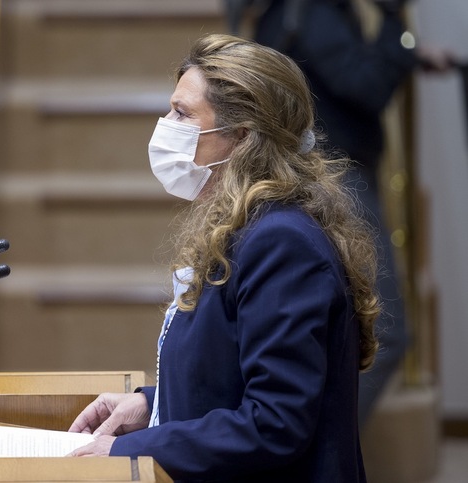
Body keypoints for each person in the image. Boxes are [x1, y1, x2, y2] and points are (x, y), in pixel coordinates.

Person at [68, 34, 380, 482]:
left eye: (182, 113)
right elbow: (228, 376)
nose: (165, 125)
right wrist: (152, 406)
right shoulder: (248, 225)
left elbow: (275, 422)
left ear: (242, 137)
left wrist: (129, 448)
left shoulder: (281, 242)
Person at [252, 0, 454, 426]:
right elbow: (365, 86)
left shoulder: (295, 12)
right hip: (335, 180)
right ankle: (310, 449)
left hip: (324, 174)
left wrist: (406, 51)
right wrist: (396, 21)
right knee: (386, 332)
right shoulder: (311, 12)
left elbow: (339, 70)